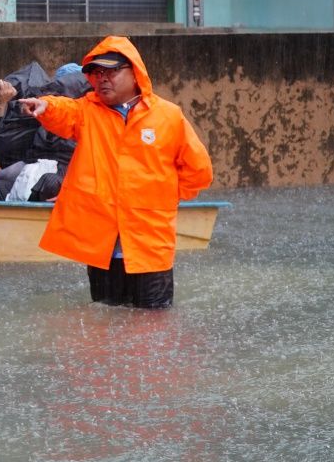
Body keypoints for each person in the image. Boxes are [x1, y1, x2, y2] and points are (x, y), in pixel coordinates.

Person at [18, 36, 212, 309]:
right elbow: (64, 110)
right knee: (105, 321)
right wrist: (46, 106)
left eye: (111, 72)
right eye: (97, 73)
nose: (102, 79)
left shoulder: (168, 116)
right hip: (102, 248)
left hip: (150, 245)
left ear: (135, 72)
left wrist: (166, 198)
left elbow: (199, 170)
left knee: (154, 324)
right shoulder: (87, 110)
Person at [0, 62, 90, 200]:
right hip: (30, 182)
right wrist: (4, 104)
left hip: (70, 190)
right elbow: (24, 160)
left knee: (50, 182)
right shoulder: (42, 121)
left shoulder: (89, 121)